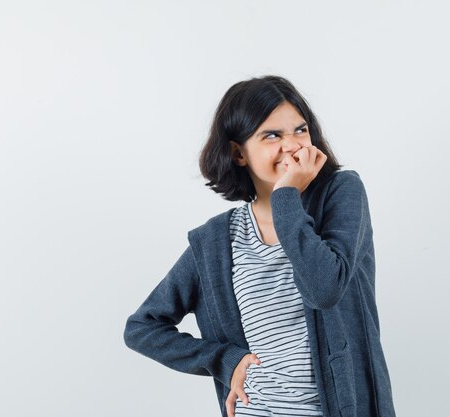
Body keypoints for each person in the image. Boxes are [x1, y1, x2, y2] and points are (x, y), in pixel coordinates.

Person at [123, 75, 396, 417]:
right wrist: (224, 359)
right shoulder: (215, 242)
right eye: (272, 135)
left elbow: (325, 288)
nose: (293, 145)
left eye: (300, 130)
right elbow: (142, 327)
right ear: (238, 153)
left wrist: (286, 197)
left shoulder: (341, 193)